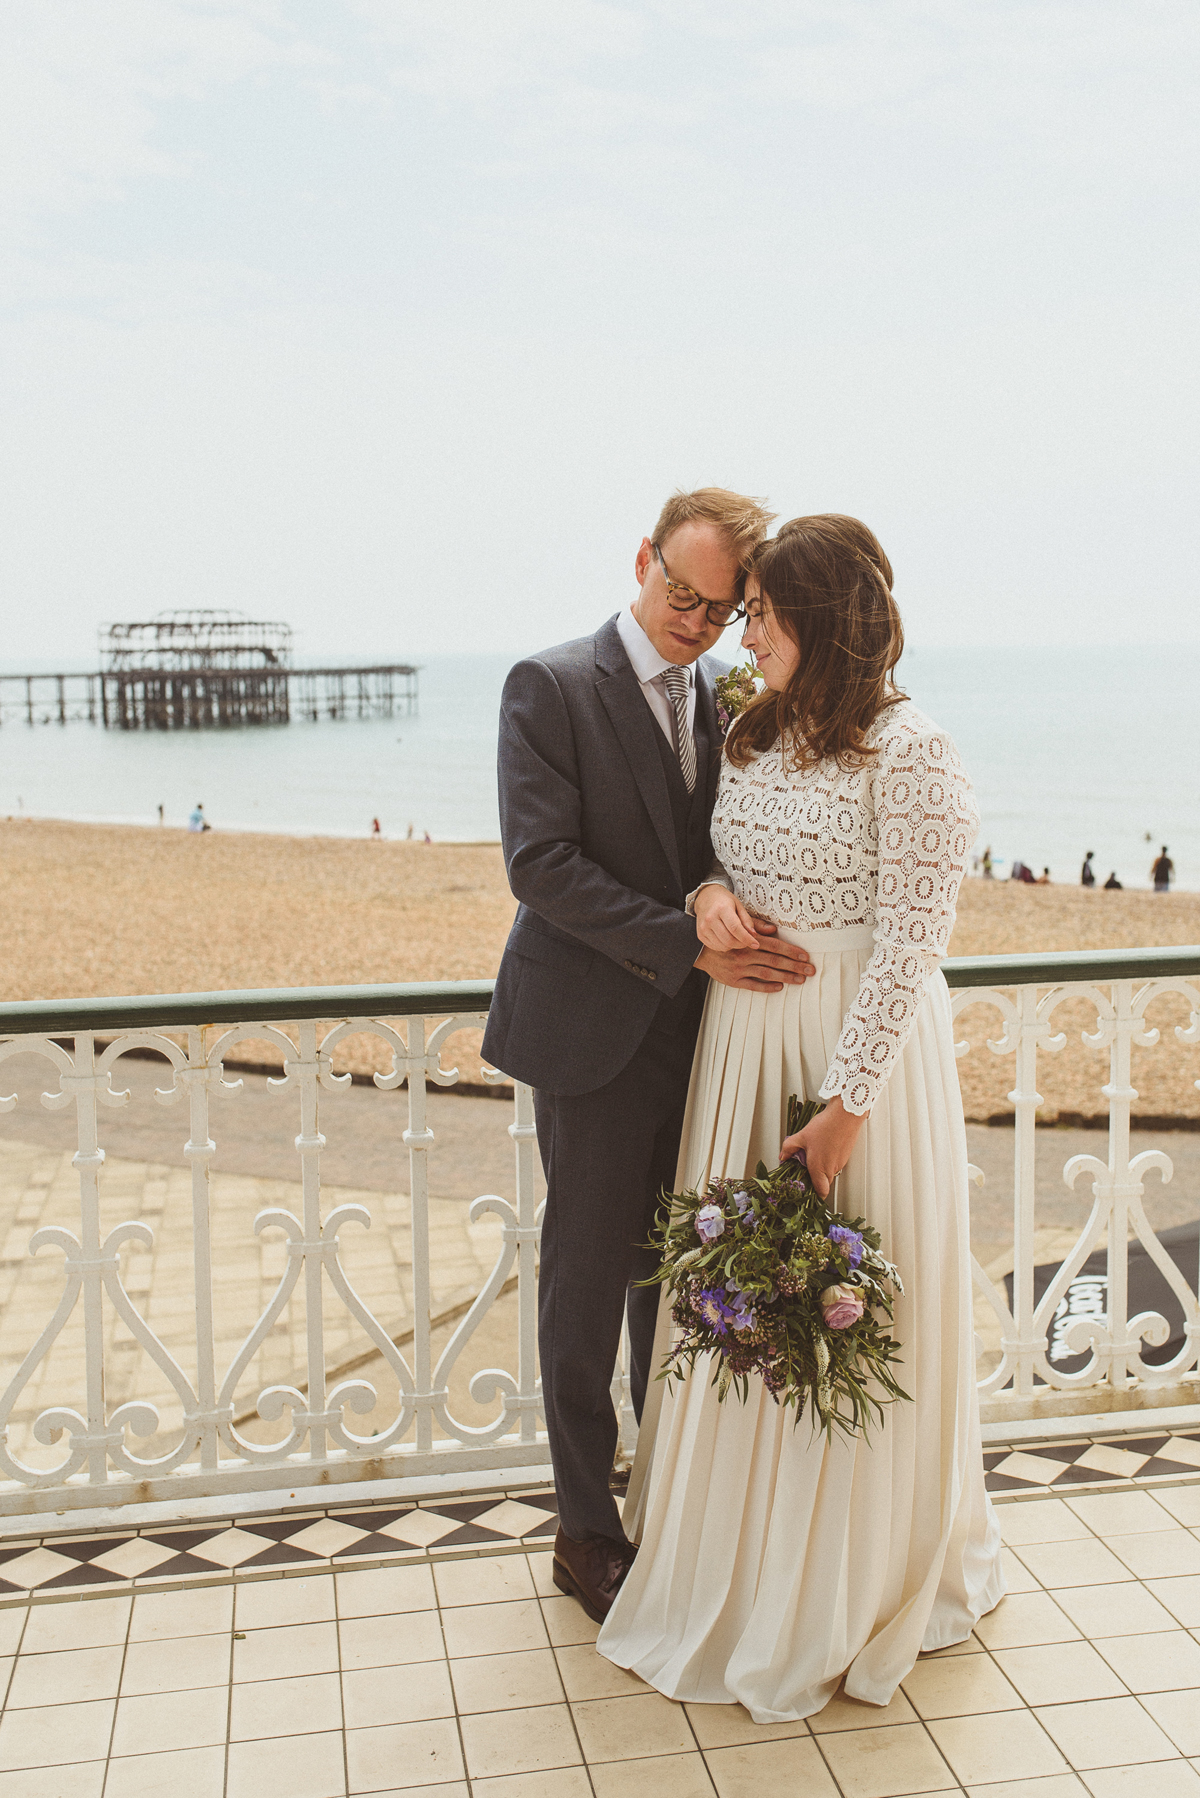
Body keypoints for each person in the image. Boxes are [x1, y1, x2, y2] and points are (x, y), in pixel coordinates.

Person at [598, 514, 1004, 1720]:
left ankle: (850, 1573)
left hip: (858, 1062)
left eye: (765, 611)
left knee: (847, 1298)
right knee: (737, 1299)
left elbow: (915, 943)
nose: (744, 627)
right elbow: (697, 853)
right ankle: (729, 1557)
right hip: (743, 1039)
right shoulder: (750, 724)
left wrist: (845, 1107)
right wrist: (712, 893)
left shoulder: (913, 749)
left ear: (822, 621)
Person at [482, 488, 816, 1625]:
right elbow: (542, 865)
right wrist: (689, 941)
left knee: (672, 1285)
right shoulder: (550, 685)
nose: (699, 620)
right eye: (684, 593)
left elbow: (714, 843)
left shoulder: (729, 698)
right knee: (583, 1286)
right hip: (587, 1031)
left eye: (724, 609)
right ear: (642, 559)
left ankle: (669, 1501)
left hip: (699, 1036)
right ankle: (585, 1531)